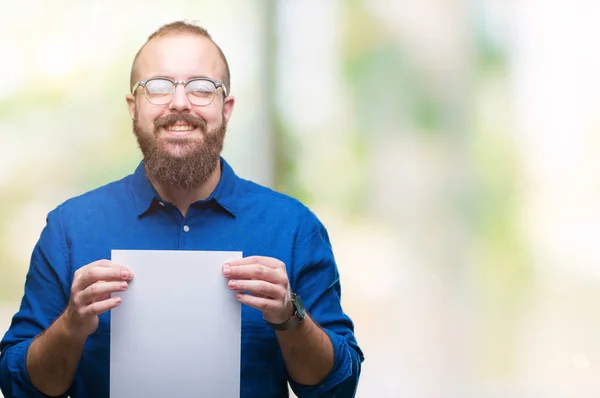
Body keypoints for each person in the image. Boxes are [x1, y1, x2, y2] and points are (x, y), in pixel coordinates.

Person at [0, 20, 363, 398]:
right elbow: (19, 388)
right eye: (157, 87)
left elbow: (337, 387)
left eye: (202, 88)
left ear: (227, 109)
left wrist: (291, 318)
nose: (179, 102)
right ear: (133, 108)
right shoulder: (69, 229)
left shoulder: (293, 228)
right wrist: (70, 326)